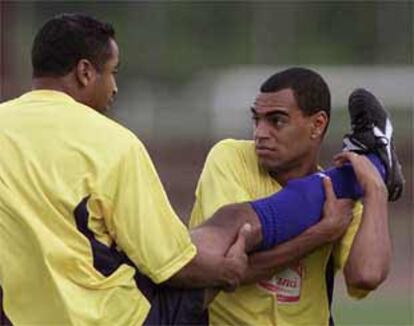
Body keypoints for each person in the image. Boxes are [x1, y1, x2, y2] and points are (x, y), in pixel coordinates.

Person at [0, 14, 359, 325]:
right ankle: (359, 170)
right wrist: (229, 272)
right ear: (84, 72)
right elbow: (171, 264)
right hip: (115, 318)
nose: (115, 87)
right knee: (194, 266)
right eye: (113, 73)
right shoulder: (113, 143)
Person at [190, 68, 404, 325]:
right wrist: (321, 234)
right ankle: (378, 160)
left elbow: (366, 275)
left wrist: (375, 190)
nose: (260, 133)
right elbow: (229, 266)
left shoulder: (339, 199)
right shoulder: (230, 157)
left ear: (317, 125)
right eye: (257, 120)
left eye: (276, 121)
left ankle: (380, 166)